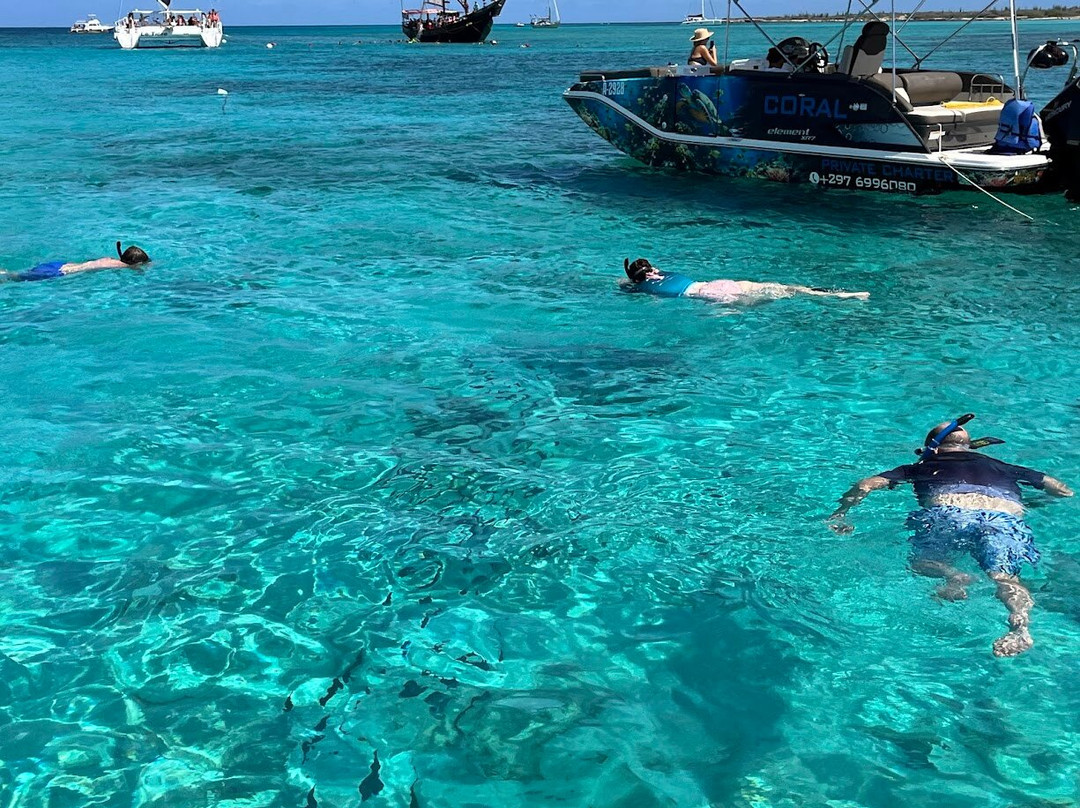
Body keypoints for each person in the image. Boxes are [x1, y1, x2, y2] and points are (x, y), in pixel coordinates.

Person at [828, 414, 1073, 657]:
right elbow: (1062, 491)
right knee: (1005, 578)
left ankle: (954, 576)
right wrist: (1030, 502)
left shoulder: (919, 467)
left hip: (949, 513)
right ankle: (1021, 629)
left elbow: (864, 485)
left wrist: (840, 514)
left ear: (930, 449)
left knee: (921, 563)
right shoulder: (1004, 467)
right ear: (969, 445)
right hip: (1004, 519)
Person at [622, 258, 868, 302]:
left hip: (706, 295)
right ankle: (835, 294)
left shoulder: (645, 288)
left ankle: (835, 298)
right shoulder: (665, 273)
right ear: (652, 268)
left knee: (766, 300)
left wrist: (632, 283)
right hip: (717, 283)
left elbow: (623, 284)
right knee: (783, 289)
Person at [5, 242, 150, 282]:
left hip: (58, 264)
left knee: (18, 276)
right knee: (15, 277)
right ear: (135, 263)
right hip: (59, 272)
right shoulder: (121, 266)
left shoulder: (110, 259)